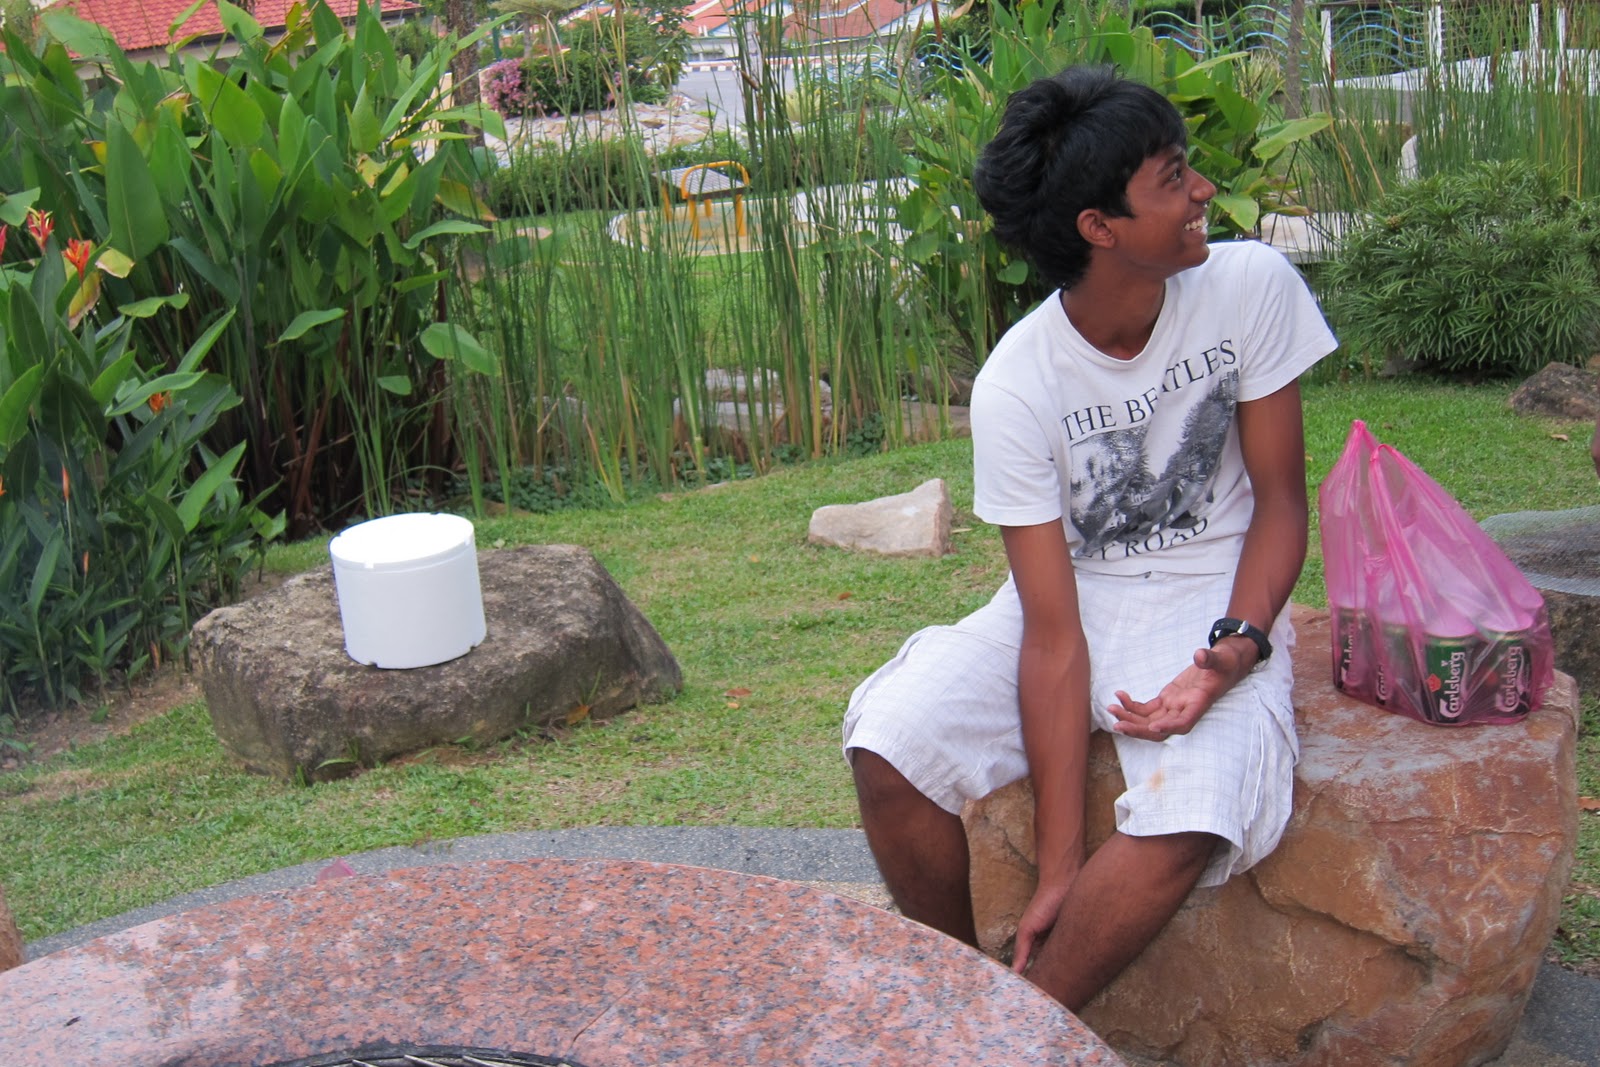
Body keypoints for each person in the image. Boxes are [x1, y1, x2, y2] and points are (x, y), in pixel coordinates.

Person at [841, 65, 1339, 1013]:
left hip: (1212, 589)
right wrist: (1059, 859)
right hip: (1073, 598)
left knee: (1196, 804)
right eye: (1173, 179)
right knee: (891, 738)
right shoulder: (1018, 384)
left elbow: (1280, 505)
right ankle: (964, 1001)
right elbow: (1053, 631)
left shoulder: (1249, 287)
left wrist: (1233, 650)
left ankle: (1019, 1036)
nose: (1203, 191)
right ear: (1099, 228)